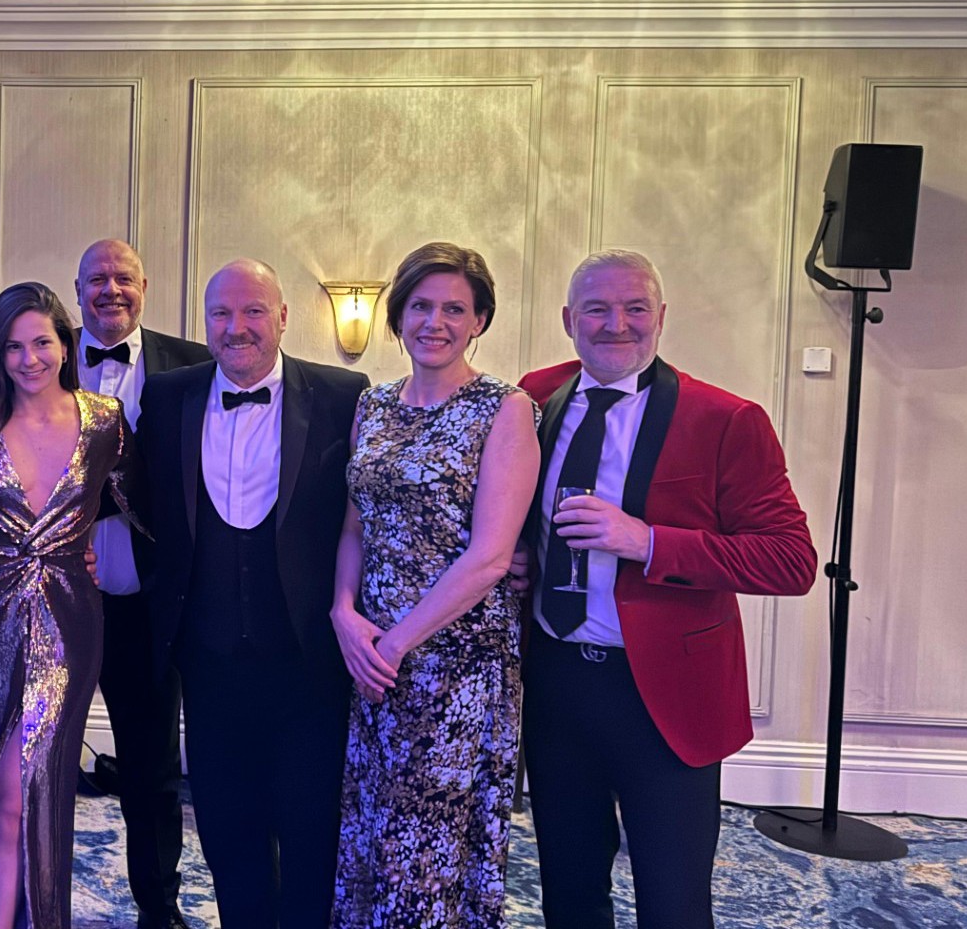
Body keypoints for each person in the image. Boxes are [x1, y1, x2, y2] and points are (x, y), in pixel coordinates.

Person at [513, 249, 816, 929]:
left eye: (634, 309)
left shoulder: (725, 420)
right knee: (566, 889)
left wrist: (643, 541)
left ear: (661, 318)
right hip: (557, 685)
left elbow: (791, 561)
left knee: (673, 900)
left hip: (664, 700)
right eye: (596, 309)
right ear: (568, 320)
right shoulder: (534, 397)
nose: (615, 325)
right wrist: (517, 558)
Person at [137, 258, 368, 929]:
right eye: (221, 314)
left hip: (309, 665)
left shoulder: (343, 394)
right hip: (208, 666)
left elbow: (378, 507)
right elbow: (137, 500)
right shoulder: (169, 395)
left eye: (253, 312)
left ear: (284, 318)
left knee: (309, 838)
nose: (237, 328)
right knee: (227, 834)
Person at [329, 243, 539, 929]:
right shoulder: (375, 405)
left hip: (454, 669)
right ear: (399, 315)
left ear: (479, 320)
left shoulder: (505, 410)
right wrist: (343, 613)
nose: (435, 321)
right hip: (372, 661)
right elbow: (354, 525)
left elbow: (489, 557)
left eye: (455, 308)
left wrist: (394, 643)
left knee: (427, 855)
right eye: (421, 306)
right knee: (372, 834)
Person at [0, 281, 142, 929]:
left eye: (41, 343)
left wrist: (79, 547)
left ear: (65, 343)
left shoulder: (106, 420)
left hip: (67, 622)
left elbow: (136, 509)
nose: (29, 358)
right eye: (13, 346)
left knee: (37, 790)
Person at [70, 239, 208, 929]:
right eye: (97, 279)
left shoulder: (192, 364)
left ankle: (159, 906)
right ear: (77, 289)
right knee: (39, 766)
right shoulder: (37, 356)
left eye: (123, 277)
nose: (110, 290)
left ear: (145, 285)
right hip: (58, 600)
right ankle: (36, 902)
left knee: (153, 768)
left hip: (153, 604)